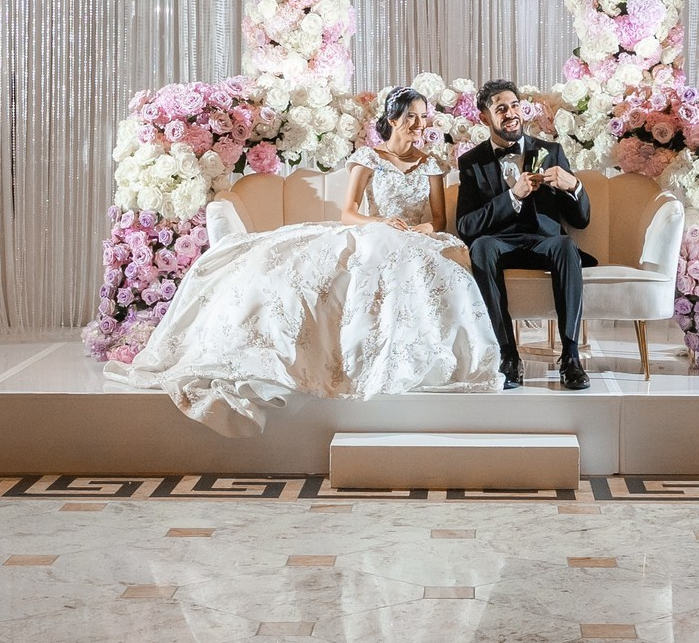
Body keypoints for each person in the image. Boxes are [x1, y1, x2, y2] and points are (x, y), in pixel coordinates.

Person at [117, 87, 502, 434]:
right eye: (411, 117)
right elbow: (349, 213)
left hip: (417, 240)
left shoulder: (432, 163)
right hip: (375, 231)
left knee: (438, 273)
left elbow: (436, 218)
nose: (419, 125)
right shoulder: (370, 158)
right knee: (325, 269)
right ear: (393, 121)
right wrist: (382, 222)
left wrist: (423, 230)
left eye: (423, 117)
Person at [453, 80, 592, 391]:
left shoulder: (551, 152)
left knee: (566, 245)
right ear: (484, 118)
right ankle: (508, 356)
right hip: (500, 244)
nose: (511, 114)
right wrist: (512, 197)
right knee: (480, 247)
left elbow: (579, 221)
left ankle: (570, 357)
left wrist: (574, 187)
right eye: (501, 109)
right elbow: (466, 226)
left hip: (545, 241)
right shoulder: (471, 163)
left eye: (515, 106)